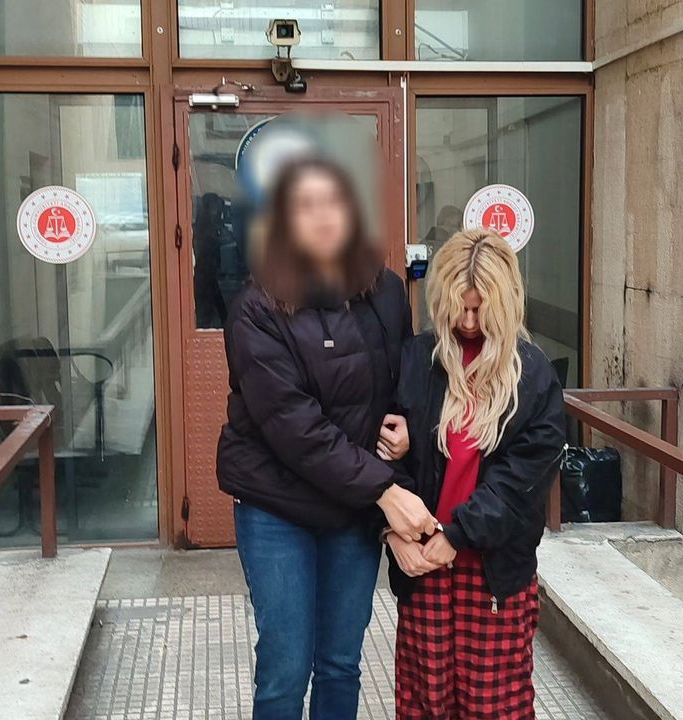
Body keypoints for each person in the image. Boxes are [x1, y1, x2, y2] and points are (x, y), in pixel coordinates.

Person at [216, 156, 436, 720]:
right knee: (286, 668)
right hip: (277, 507)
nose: (322, 216)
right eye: (305, 206)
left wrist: (407, 428)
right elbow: (297, 429)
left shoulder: (386, 292)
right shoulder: (256, 309)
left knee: (340, 662)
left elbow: (403, 382)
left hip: (351, 509)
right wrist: (386, 491)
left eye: (333, 202)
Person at [382, 228, 567, 720]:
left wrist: (459, 533)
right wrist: (392, 532)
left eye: (479, 310)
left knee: (494, 707)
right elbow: (385, 455)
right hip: (423, 561)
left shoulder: (532, 375)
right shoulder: (419, 360)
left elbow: (521, 481)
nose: (467, 322)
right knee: (424, 704)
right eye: (458, 309)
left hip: (492, 571)